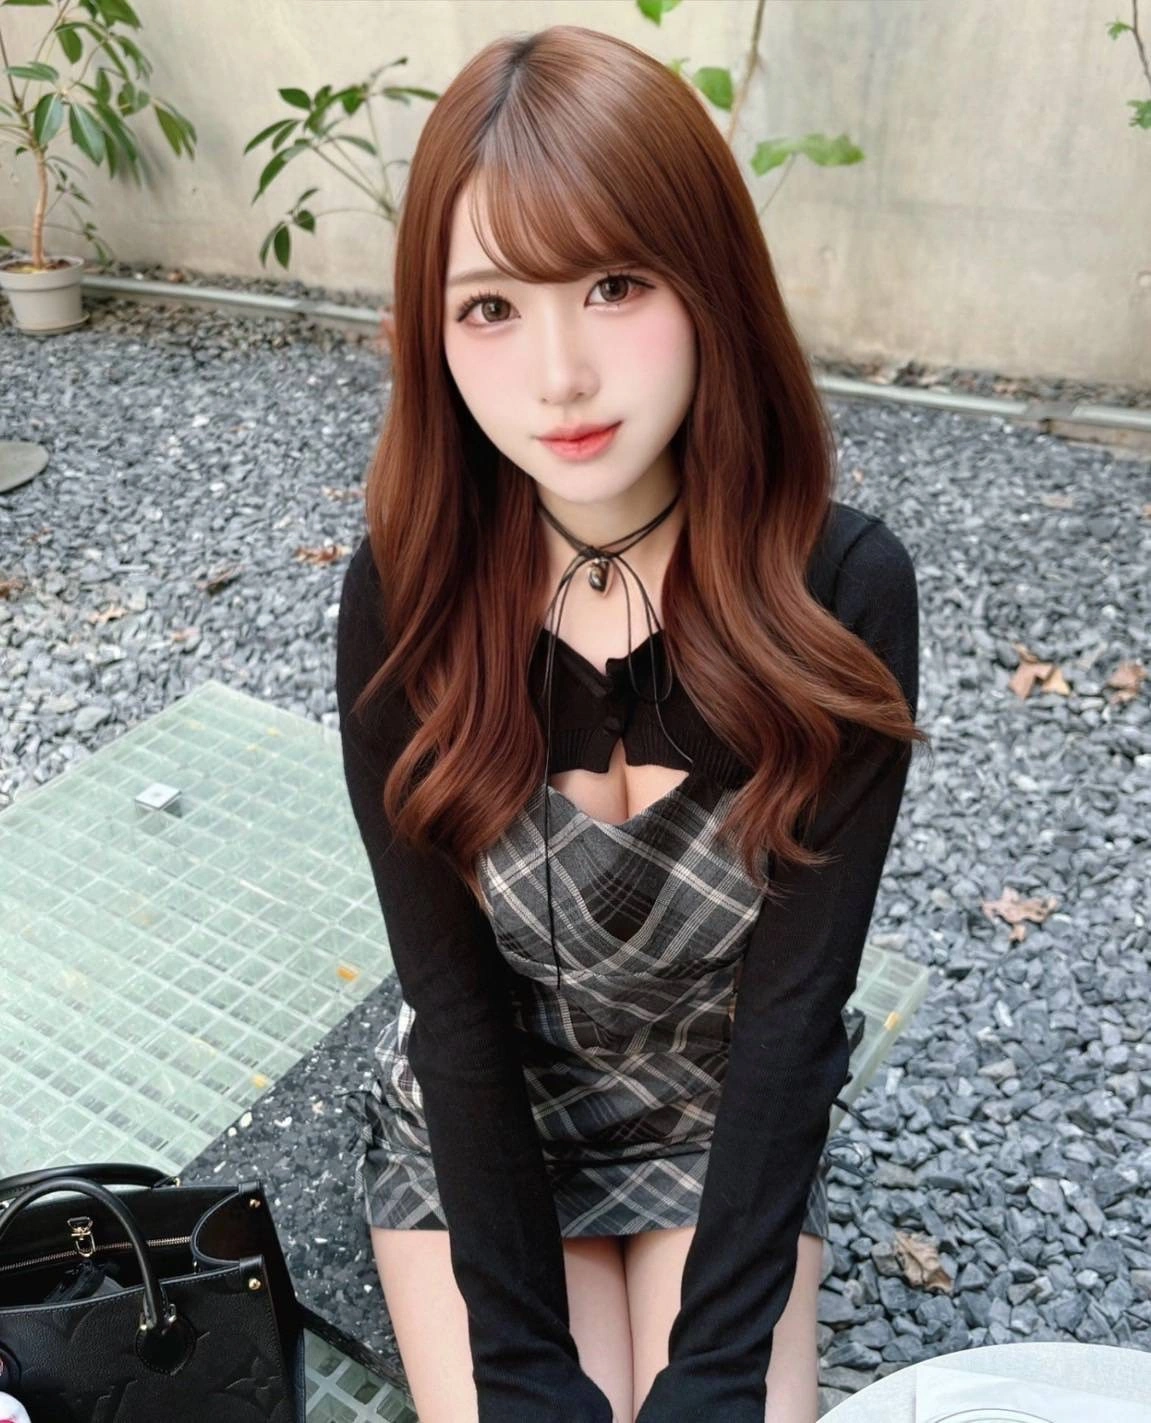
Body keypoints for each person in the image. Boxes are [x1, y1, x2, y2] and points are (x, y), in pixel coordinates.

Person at [336, 24, 928, 1423]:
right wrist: (523, 1367)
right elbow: (452, 1005)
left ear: (709, 280)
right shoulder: (409, 595)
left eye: (613, 285)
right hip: (491, 1117)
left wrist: (716, 1371)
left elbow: (795, 1011)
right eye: (490, 307)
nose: (559, 377)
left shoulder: (838, 589)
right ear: (431, 333)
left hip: (716, 1114)